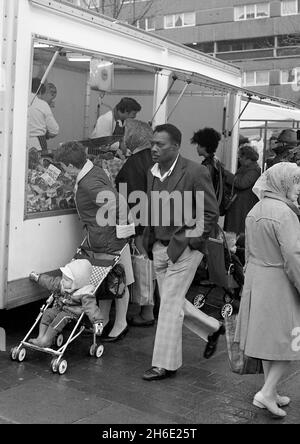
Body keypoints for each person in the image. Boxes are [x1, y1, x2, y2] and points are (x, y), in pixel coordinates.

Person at [142, 123, 225, 381]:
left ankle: (164, 365)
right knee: (173, 302)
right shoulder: (152, 172)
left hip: (184, 248)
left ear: (176, 147)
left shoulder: (196, 171)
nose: (154, 148)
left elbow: (209, 213)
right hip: (158, 246)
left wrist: (192, 241)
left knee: (167, 306)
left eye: (160, 144)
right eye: (153, 143)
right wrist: (149, 239)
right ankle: (213, 328)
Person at [235, 162, 300, 418]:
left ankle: (270, 393)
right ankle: (266, 391)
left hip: (257, 279)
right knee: (289, 341)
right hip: (279, 282)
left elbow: (249, 251)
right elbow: (294, 256)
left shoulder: (256, 208)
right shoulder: (285, 213)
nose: (298, 187)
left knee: (267, 340)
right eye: (295, 182)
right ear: (283, 183)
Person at [55, 142, 135, 342]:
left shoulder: (88, 184)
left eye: (64, 167)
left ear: (71, 166)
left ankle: (121, 324)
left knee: (117, 281)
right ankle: (107, 320)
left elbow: (116, 204)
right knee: (109, 280)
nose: (64, 171)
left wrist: (120, 229)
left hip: (106, 238)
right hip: (109, 236)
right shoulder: (95, 171)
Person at [115, 119, 155, 326]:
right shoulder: (157, 157)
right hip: (162, 219)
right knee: (152, 261)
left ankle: (147, 311)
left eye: (125, 136)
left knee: (142, 260)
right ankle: (151, 307)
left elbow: (124, 193)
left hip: (142, 220)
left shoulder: (134, 163)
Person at [28, 259, 102, 347]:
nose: (62, 281)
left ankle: (46, 340)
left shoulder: (85, 294)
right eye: (63, 277)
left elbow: (91, 308)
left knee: (62, 317)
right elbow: (50, 282)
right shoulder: (63, 284)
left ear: (76, 283)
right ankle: (41, 338)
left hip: (72, 315)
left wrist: (97, 322)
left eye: (66, 279)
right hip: (60, 309)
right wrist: (38, 278)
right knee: (48, 312)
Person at [224, 145, 261, 234]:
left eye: (241, 156)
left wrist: (226, 174)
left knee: (238, 230)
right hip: (239, 204)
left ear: (248, 158)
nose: (239, 158)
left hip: (244, 206)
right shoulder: (246, 168)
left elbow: (242, 183)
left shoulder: (254, 170)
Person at [191, 127, 225, 213]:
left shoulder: (208, 166)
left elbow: (203, 188)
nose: (197, 148)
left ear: (205, 146)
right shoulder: (215, 161)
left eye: (198, 145)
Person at [28, 78, 59, 152]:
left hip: (18, 142)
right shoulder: (42, 104)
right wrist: (46, 134)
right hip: (38, 145)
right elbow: (54, 131)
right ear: (41, 91)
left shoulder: (18, 101)